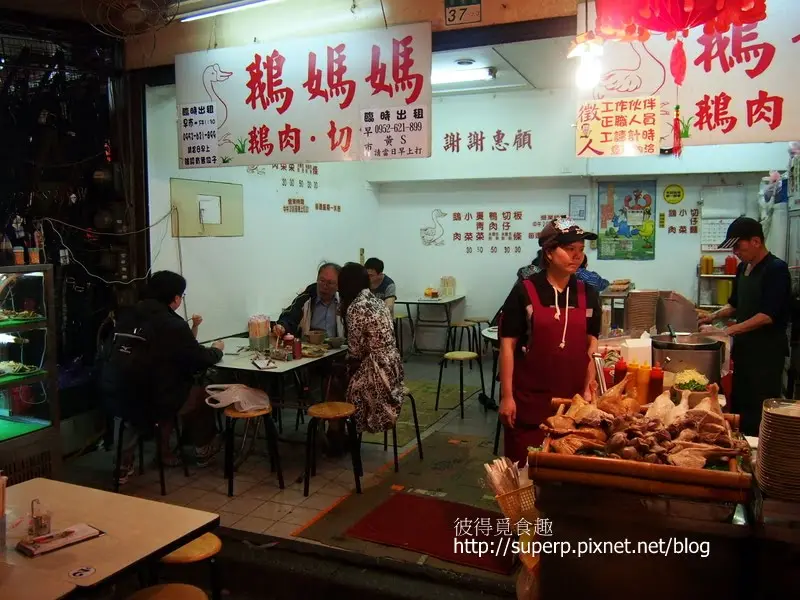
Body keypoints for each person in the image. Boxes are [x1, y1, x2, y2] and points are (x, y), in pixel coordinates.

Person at [101, 271, 224, 481]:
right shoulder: (171, 324)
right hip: (155, 398)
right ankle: (203, 450)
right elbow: (198, 358)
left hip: (114, 391)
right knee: (202, 395)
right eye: (181, 296)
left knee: (148, 395)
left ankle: (126, 465)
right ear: (175, 298)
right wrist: (217, 350)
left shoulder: (126, 314)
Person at [498, 218, 602, 466]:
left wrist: (589, 388)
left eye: (580, 250)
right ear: (548, 252)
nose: (576, 256)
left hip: (572, 403)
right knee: (525, 469)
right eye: (569, 249)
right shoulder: (525, 290)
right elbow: (508, 346)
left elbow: (592, 343)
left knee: (567, 472)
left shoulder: (587, 293)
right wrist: (507, 396)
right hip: (530, 401)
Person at [699, 217, 791, 436]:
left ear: (756, 241)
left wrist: (727, 331)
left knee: (759, 406)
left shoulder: (776, 269)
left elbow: (767, 315)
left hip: (766, 353)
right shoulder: (743, 268)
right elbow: (735, 304)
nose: (735, 253)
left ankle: (758, 451)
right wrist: (711, 317)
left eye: (738, 246)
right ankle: (740, 445)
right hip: (744, 350)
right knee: (740, 400)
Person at [338, 262, 404, 434]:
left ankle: (342, 433)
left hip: (377, 373)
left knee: (336, 380)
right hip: (394, 368)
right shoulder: (377, 301)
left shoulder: (355, 307)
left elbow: (355, 353)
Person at [273, 262, 343, 339]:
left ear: (338, 285)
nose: (325, 286)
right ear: (317, 279)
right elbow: (289, 318)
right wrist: (282, 326)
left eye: (330, 283)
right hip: (310, 348)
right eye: (322, 280)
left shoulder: (344, 302)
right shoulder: (305, 298)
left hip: (338, 349)